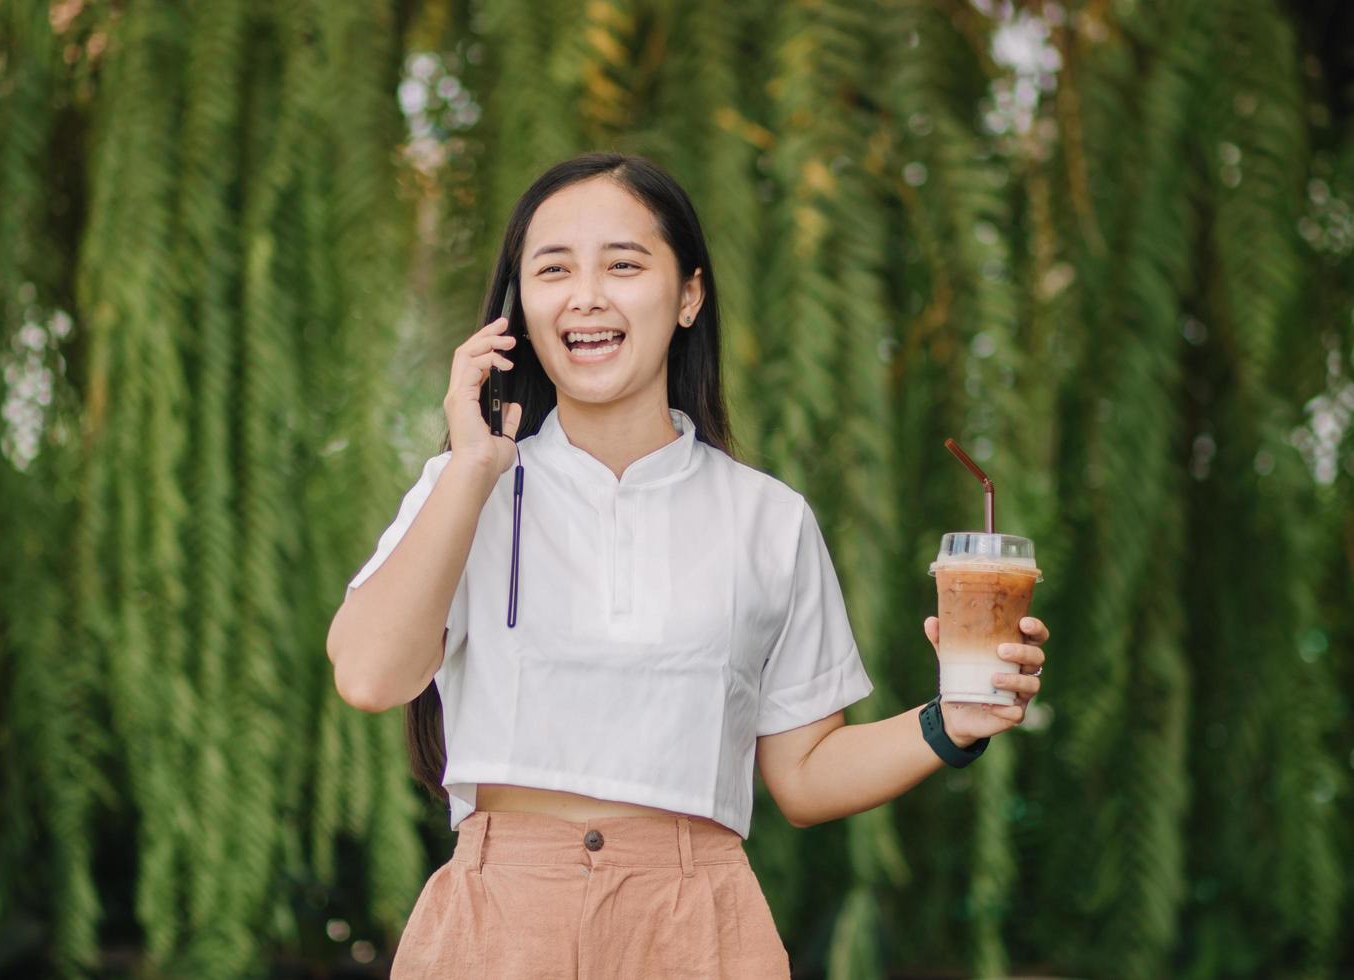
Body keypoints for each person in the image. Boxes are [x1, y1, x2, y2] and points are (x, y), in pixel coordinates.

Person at [325, 152, 1050, 978]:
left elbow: (804, 777)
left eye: (624, 265)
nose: (586, 295)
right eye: (552, 269)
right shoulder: (467, 488)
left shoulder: (767, 518)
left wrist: (950, 724)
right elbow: (371, 676)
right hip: (500, 923)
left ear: (689, 296)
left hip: (696, 924)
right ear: (519, 308)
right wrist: (472, 468)